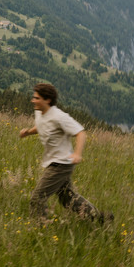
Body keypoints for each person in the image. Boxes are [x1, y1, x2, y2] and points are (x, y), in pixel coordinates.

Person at [19, 82, 110, 224]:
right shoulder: (39, 112)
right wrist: (28, 132)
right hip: (54, 161)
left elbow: (80, 132)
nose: (33, 100)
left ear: (47, 100)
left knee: (38, 198)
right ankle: (99, 218)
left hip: (61, 164)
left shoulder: (59, 117)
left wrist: (78, 154)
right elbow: (42, 125)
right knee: (67, 198)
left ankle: (39, 230)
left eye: (37, 98)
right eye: (34, 97)